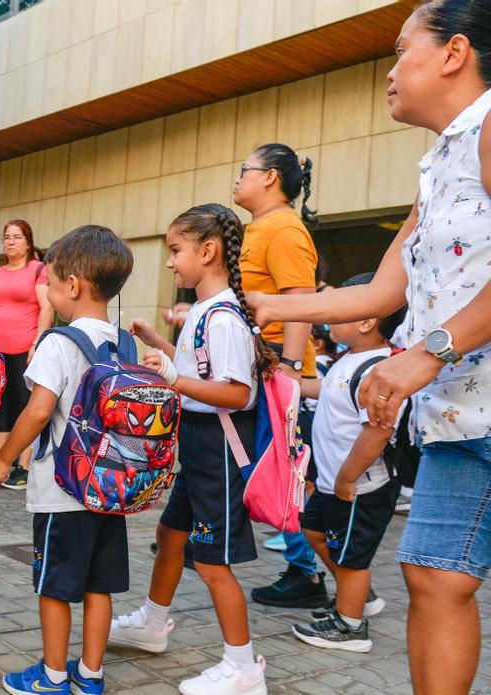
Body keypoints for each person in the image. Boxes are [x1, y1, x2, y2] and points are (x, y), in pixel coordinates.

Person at [250, 2, 491, 690]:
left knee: (438, 575)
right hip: (457, 415)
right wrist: (274, 303)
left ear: (453, 53)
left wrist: (425, 353)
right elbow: (381, 293)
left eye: (401, 48)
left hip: (467, 391)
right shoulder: (437, 162)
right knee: (433, 577)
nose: (390, 69)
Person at [110, 204, 277, 694]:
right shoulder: (207, 311)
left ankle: (244, 669)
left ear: (208, 251)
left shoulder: (222, 316)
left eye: (176, 251)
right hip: (201, 450)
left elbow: (236, 393)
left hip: (222, 454)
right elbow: (199, 374)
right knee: (170, 534)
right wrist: (159, 343)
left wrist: (172, 376)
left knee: (211, 561)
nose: (170, 262)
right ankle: (152, 623)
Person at [0, 226, 134, 695]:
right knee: (98, 586)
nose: (44, 290)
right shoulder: (124, 343)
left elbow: (39, 410)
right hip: (111, 489)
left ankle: (51, 677)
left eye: (48, 281)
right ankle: (90, 675)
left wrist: (3, 459)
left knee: (54, 586)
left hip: (62, 491)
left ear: (72, 286)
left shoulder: (58, 342)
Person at [232, 142, 329, 610]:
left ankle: (313, 573)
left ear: (269, 177)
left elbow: (300, 301)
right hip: (259, 357)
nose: (238, 178)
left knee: (278, 472)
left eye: (244, 170)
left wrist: (288, 368)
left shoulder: (285, 229)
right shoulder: (260, 227)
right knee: (260, 468)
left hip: (275, 361)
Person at [289, 273, 406, 653]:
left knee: (351, 557)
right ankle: (358, 596)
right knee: (314, 531)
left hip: (358, 486)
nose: (330, 316)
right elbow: (326, 391)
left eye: (341, 308)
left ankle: (351, 626)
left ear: (367, 319)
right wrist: (285, 381)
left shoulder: (378, 369)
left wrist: (347, 476)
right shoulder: (349, 359)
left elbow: (377, 432)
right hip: (332, 482)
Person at [0, 220, 53, 490]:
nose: (10, 242)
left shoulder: (38, 269)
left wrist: (38, 343)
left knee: (24, 406)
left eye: (16, 237)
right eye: (6, 237)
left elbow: (46, 308)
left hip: (24, 349)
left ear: (28, 242)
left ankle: (23, 467)